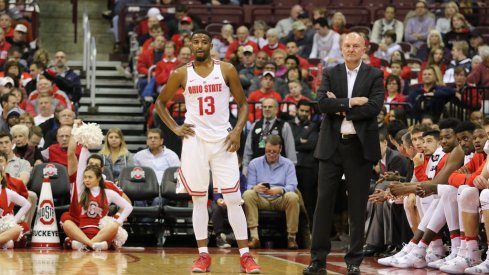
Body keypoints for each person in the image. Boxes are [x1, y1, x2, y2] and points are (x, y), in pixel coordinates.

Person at [154, 30, 261, 274]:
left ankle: (245, 256)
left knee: (233, 199)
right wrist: (175, 127)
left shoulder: (227, 69)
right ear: (190, 45)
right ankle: (203, 255)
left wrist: (237, 131)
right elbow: (160, 103)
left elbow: (243, 104)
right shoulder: (181, 73)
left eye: (204, 41)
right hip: (194, 142)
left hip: (223, 140)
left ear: (211, 45)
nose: (200, 45)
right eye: (196, 41)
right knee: (199, 200)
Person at [303, 32, 384, 275]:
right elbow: (321, 104)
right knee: (323, 204)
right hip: (331, 146)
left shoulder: (375, 74)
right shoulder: (330, 72)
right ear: (341, 48)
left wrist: (340, 106)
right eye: (347, 45)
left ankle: (354, 261)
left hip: (359, 148)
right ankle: (317, 260)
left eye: (355, 45)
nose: (351, 49)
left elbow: (374, 107)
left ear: (363, 48)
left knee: (357, 206)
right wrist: (352, 102)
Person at [243, 135, 300, 250]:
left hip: (280, 199)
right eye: (268, 151)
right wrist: (255, 188)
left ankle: (291, 238)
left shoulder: (288, 164)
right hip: (261, 199)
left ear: (280, 149)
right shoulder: (254, 163)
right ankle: (254, 237)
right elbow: (248, 186)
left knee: (293, 196)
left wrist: (281, 190)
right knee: (248, 194)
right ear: (265, 149)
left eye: (274, 151)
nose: (271, 154)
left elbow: (292, 185)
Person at [0, 165, 30, 249]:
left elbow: (26, 204)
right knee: (9, 244)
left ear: (1, 178)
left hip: (2, 227)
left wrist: (14, 220)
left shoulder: (8, 192)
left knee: (17, 229)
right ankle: (3, 242)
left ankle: (3, 241)